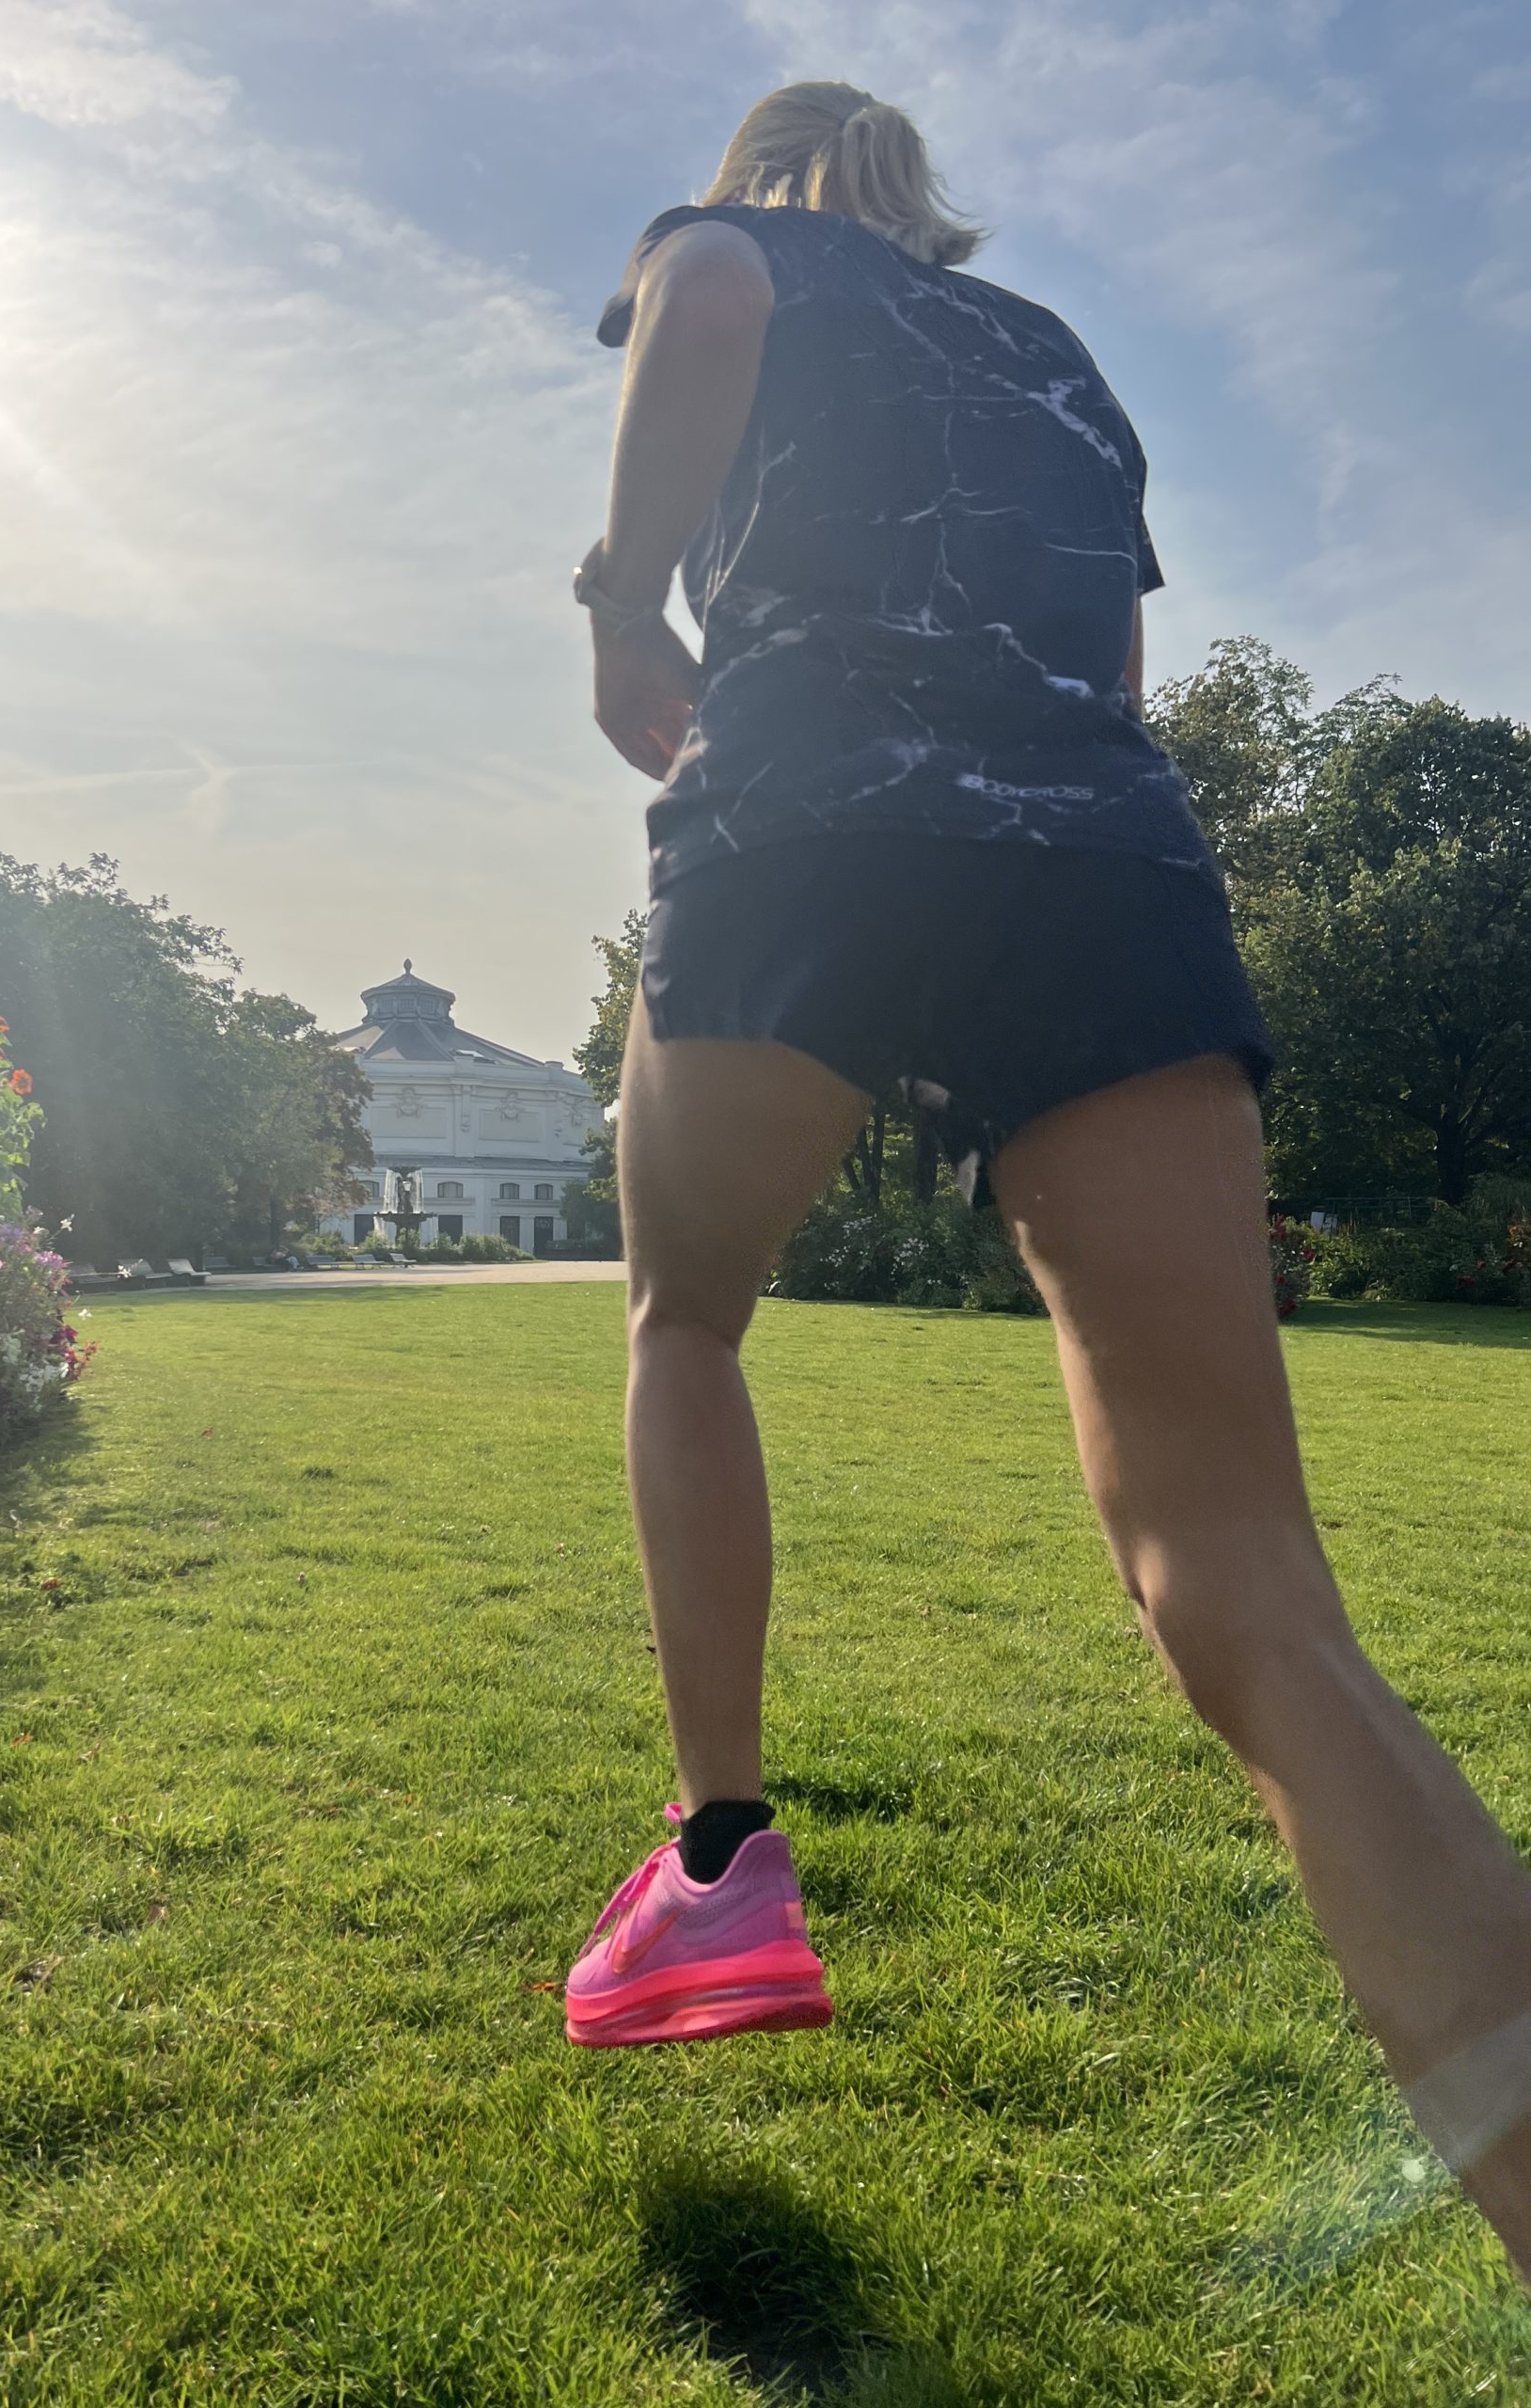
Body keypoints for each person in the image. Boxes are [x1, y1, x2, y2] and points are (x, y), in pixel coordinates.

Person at [560, 78, 1531, 2275]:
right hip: (1107, 861)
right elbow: (1112, 671)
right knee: (1249, 1588)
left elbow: (702, 303)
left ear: (770, 172)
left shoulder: (735, 239)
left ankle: (718, 1856)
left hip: (812, 818)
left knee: (686, 1313)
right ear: (929, 197)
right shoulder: (1062, 362)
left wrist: (625, 608)